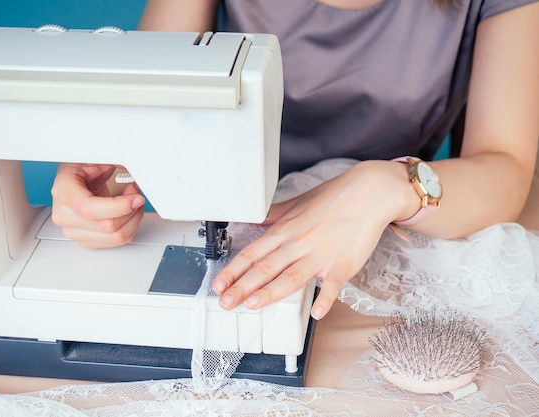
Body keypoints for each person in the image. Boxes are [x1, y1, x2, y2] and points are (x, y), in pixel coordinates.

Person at [51, 0, 539, 321]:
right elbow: (147, 103)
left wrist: (386, 185)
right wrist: (108, 174)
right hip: (253, 225)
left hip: (398, 229)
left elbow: (506, 167)